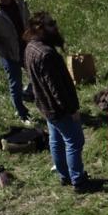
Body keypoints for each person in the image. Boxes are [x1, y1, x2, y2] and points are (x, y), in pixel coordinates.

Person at [23, 11, 89, 191]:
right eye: (51, 24)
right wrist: (71, 109)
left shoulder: (30, 48)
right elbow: (57, 88)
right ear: (39, 28)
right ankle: (78, 180)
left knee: (56, 140)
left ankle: (64, 175)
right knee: (75, 142)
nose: (56, 27)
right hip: (58, 109)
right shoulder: (46, 54)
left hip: (45, 106)